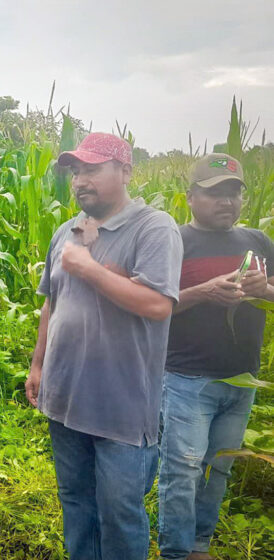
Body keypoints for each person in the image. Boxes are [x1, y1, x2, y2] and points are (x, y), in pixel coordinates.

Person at [24, 133, 183, 560]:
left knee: (119, 513)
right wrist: (37, 366)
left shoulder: (154, 228)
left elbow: (157, 305)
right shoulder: (66, 231)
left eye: (92, 169)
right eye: (76, 171)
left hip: (122, 408)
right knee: (76, 503)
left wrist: (90, 269)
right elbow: (51, 304)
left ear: (126, 172)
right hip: (64, 398)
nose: (80, 180)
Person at [158, 154, 274, 560]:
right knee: (183, 471)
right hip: (187, 378)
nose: (227, 202)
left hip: (243, 379)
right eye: (214, 194)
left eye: (233, 193)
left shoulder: (258, 243)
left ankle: (200, 545)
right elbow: (153, 306)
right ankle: (175, 550)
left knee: (219, 467)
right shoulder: (174, 241)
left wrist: (264, 289)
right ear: (190, 197)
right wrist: (203, 292)